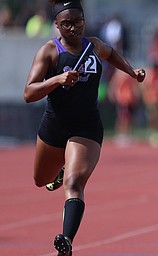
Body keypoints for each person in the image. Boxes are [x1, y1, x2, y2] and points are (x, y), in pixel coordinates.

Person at [24, 1, 145, 255]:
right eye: (66, 24)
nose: (73, 28)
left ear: (84, 20)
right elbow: (29, 92)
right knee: (40, 179)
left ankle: (66, 241)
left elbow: (110, 53)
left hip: (86, 127)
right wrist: (57, 79)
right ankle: (57, 170)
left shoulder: (93, 45)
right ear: (57, 25)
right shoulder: (49, 52)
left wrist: (131, 72)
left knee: (75, 181)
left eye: (78, 21)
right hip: (55, 125)